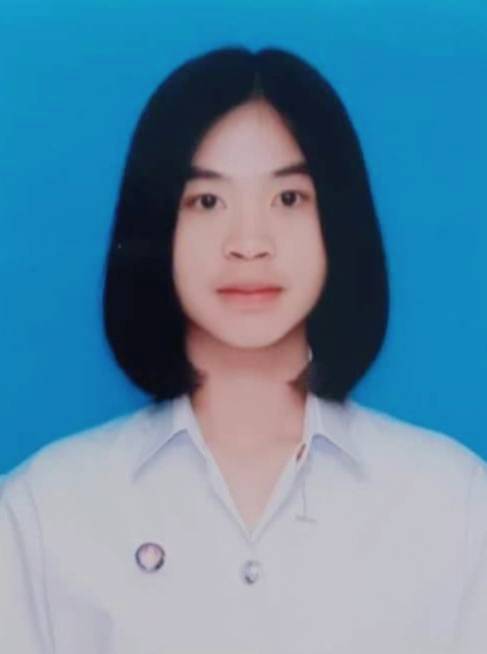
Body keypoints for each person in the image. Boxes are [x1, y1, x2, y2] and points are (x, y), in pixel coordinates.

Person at [1, 45, 486, 654]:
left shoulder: (452, 503)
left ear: (337, 221)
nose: (249, 242)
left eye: (289, 198)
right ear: (157, 227)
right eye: (207, 201)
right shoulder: (45, 510)